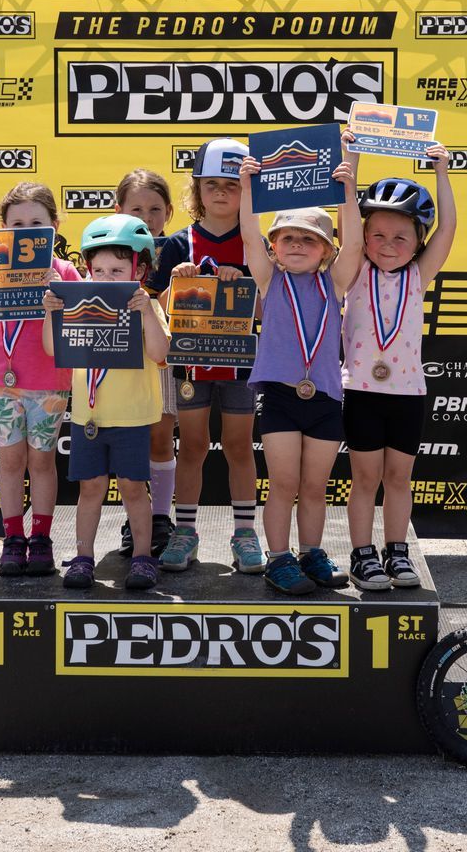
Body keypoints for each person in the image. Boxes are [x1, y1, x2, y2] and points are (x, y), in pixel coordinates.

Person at [237, 149, 362, 595]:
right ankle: (278, 559)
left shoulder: (334, 283)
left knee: (314, 486)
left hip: (325, 399)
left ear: (326, 250)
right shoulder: (270, 280)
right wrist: (248, 187)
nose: (296, 244)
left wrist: (349, 188)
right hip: (280, 398)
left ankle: (311, 553)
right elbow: (248, 236)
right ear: (274, 246)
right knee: (284, 484)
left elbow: (356, 245)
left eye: (309, 239)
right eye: (287, 237)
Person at [341, 142, 456, 589]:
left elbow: (448, 227)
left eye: (401, 237)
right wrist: (350, 161)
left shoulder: (418, 275)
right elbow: (348, 223)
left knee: (398, 479)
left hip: (408, 394)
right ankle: (362, 554)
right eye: (378, 235)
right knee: (364, 479)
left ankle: (397, 551)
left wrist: (441, 172)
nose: (388, 245)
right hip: (361, 391)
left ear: (418, 243)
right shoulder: (354, 270)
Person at [0, 182, 79, 578]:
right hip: (1, 380)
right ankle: (12, 538)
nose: (27, 232)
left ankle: (40, 538)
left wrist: (57, 296)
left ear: (54, 226)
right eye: (18, 224)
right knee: (10, 461)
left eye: (37, 223)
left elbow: (78, 329)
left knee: (42, 461)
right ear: (4, 229)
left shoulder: (65, 272)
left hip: (49, 382)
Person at [42, 215, 169, 591]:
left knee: (133, 489)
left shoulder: (148, 306)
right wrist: (51, 313)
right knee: (90, 489)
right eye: (98, 270)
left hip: (131, 418)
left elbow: (160, 352)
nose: (106, 277)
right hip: (88, 417)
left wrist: (146, 312)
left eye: (117, 270)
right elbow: (51, 349)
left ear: (139, 270)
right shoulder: (77, 305)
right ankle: (83, 557)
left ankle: (143, 557)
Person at [150, 139, 257, 574]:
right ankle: (186, 532)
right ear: (197, 189)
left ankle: (245, 534)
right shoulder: (180, 243)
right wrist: (177, 283)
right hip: (191, 364)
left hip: (239, 364)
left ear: (247, 191)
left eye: (232, 185)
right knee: (192, 446)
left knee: (239, 446)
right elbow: (158, 305)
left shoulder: (256, 242)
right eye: (211, 184)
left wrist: (241, 281)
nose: (221, 192)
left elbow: (266, 306)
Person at [112, 168, 179, 559]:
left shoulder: (177, 250)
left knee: (159, 436)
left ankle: (160, 517)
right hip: (116, 358)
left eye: (155, 209)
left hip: (159, 357)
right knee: (129, 441)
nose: (146, 218)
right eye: (136, 209)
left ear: (168, 212)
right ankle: (133, 517)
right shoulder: (105, 248)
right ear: (118, 209)